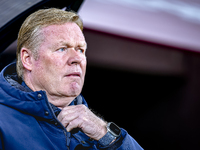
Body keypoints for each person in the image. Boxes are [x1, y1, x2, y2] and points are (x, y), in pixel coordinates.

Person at [0, 8, 143, 150]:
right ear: (28, 59)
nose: (77, 59)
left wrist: (107, 136)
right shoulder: (3, 121)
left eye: (81, 50)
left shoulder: (95, 130)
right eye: (62, 48)